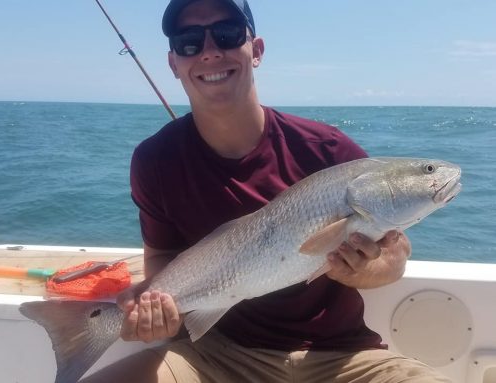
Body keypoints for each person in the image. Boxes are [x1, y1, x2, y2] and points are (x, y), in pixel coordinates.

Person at [82, 0, 451, 382]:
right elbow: (161, 254)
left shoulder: (327, 149)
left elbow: (396, 254)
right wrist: (157, 311)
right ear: (174, 63)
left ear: (255, 51)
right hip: (213, 356)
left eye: (226, 34)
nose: (209, 51)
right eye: (189, 42)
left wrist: (363, 268)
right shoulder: (155, 159)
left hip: (341, 358)